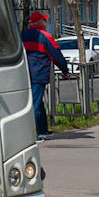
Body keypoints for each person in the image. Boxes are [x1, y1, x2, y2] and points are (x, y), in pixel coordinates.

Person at [21, 11, 69, 142]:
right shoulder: (45, 36)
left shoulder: (22, 35)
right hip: (38, 73)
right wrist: (65, 70)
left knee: (38, 102)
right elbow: (56, 55)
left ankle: (43, 130)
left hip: (23, 74)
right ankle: (34, 134)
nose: (46, 23)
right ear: (39, 23)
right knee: (35, 104)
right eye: (44, 21)